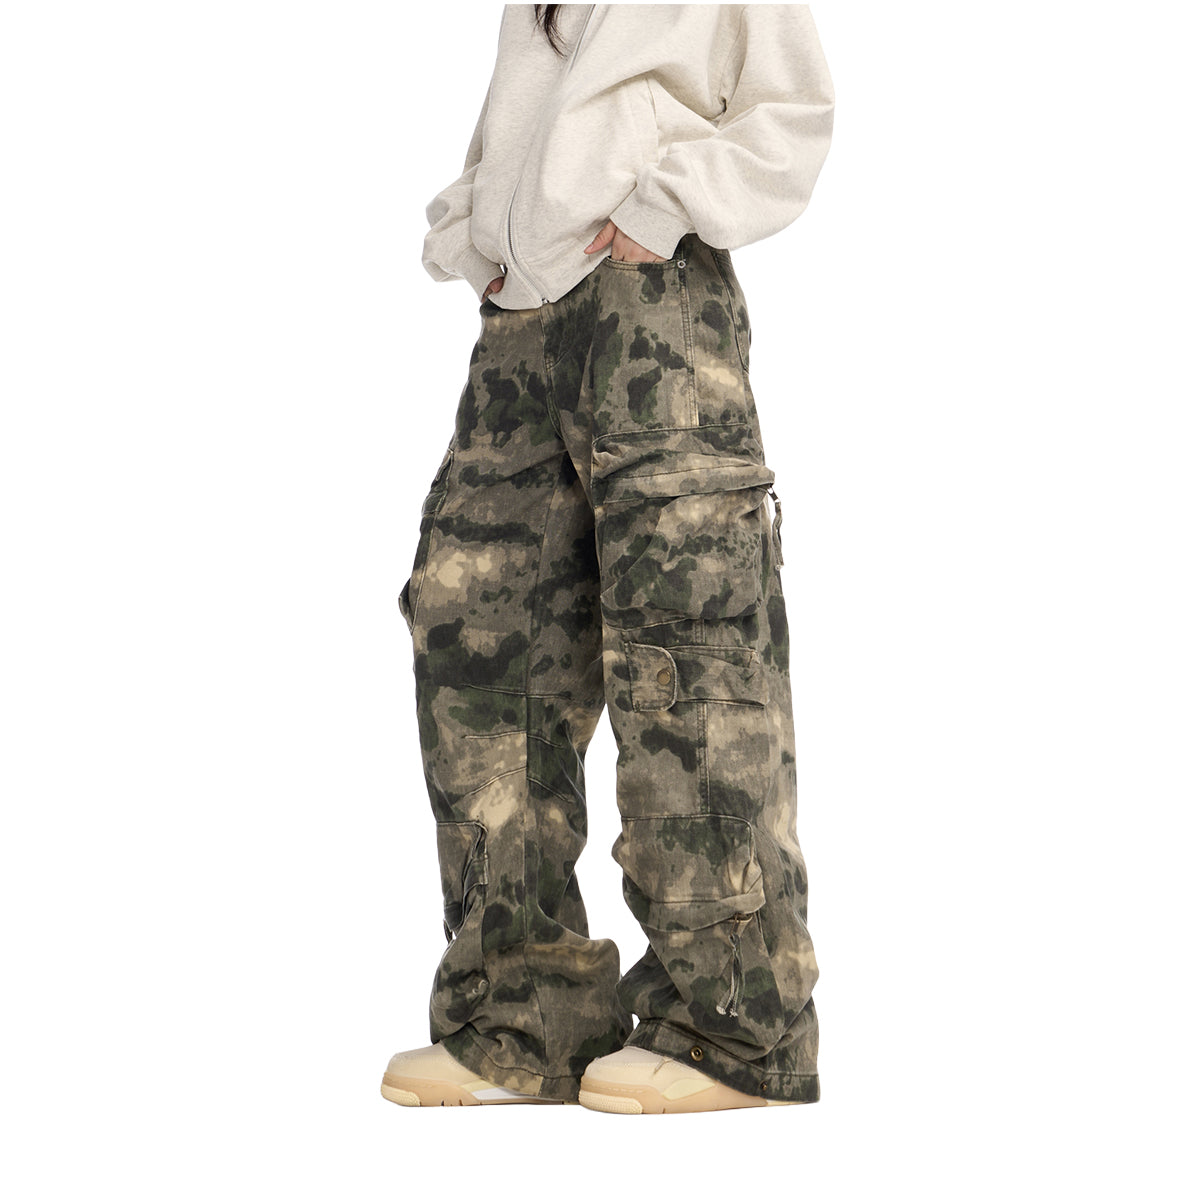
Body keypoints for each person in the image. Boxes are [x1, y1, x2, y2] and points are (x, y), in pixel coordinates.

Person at [381, 2, 834, 1114]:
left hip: (655, 307)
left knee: (686, 651)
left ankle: (735, 1030)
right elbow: (530, 122)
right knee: (479, 642)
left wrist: (660, 209)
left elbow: (790, 112)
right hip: (519, 327)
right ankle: (522, 1019)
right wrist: (480, 232)